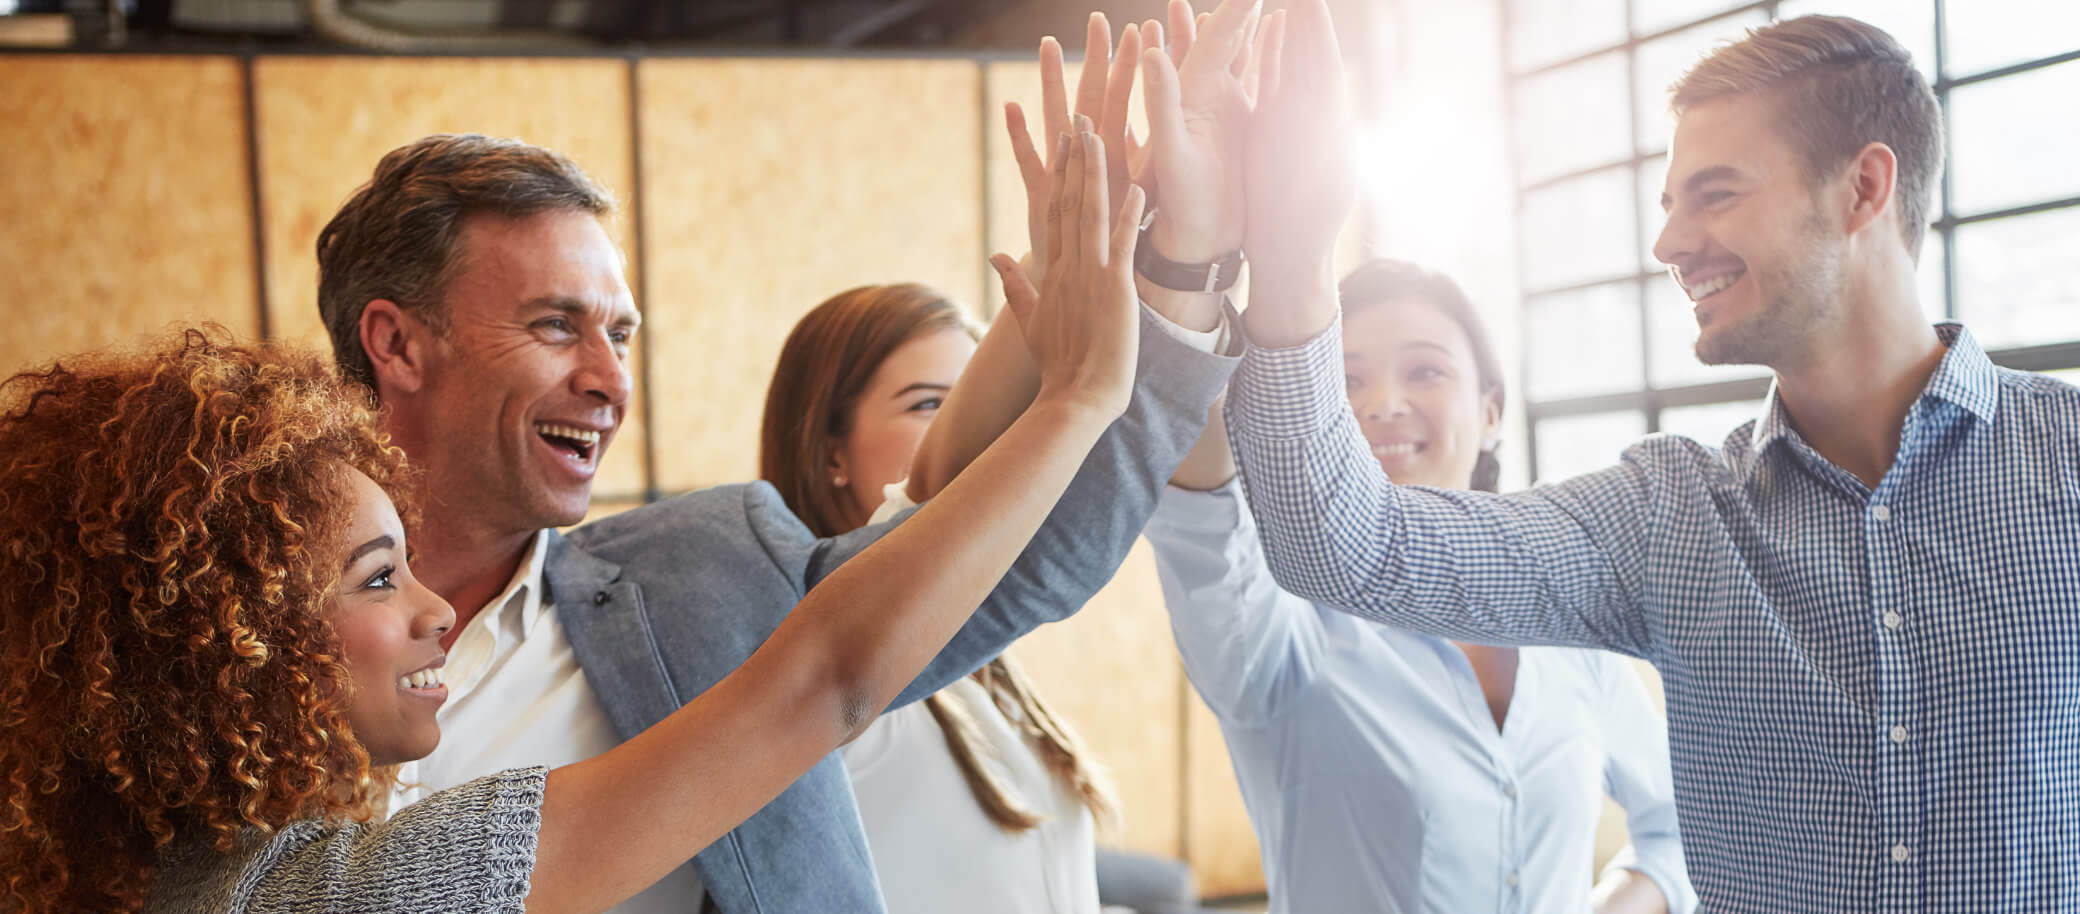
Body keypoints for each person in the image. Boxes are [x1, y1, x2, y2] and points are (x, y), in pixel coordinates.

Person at [1221, 8, 2080, 912]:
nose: (1670, 241)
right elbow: (1342, 538)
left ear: (1862, 189)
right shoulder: (1666, 517)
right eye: (1669, 202)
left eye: (1712, 194)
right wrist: (1289, 240)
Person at [0, 127, 1153, 913]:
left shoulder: (162, 867)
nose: (428, 615)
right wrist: (1081, 392)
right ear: (228, 639)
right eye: (370, 575)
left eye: (623, 333)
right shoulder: (320, 884)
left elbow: (937, 579)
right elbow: (818, 680)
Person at [315, 3, 1256, 909]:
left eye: (623, 336)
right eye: (557, 326)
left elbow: (1022, 554)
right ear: (399, 346)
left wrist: (1178, 258)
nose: (611, 382)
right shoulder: (221, 644)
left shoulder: (706, 580)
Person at [1143, 260, 1694, 914]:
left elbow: (1680, 825)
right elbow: (1204, 520)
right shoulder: (1281, 631)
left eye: (1425, 371)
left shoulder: (1571, 633)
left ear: (1491, 413)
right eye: (1345, 380)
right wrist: (1192, 267)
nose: (1382, 403)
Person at [757, 282, 1115, 914]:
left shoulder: (979, 656)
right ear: (830, 448)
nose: (978, 432)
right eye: (929, 404)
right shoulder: (804, 652)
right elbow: (924, 502)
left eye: (989, 401)